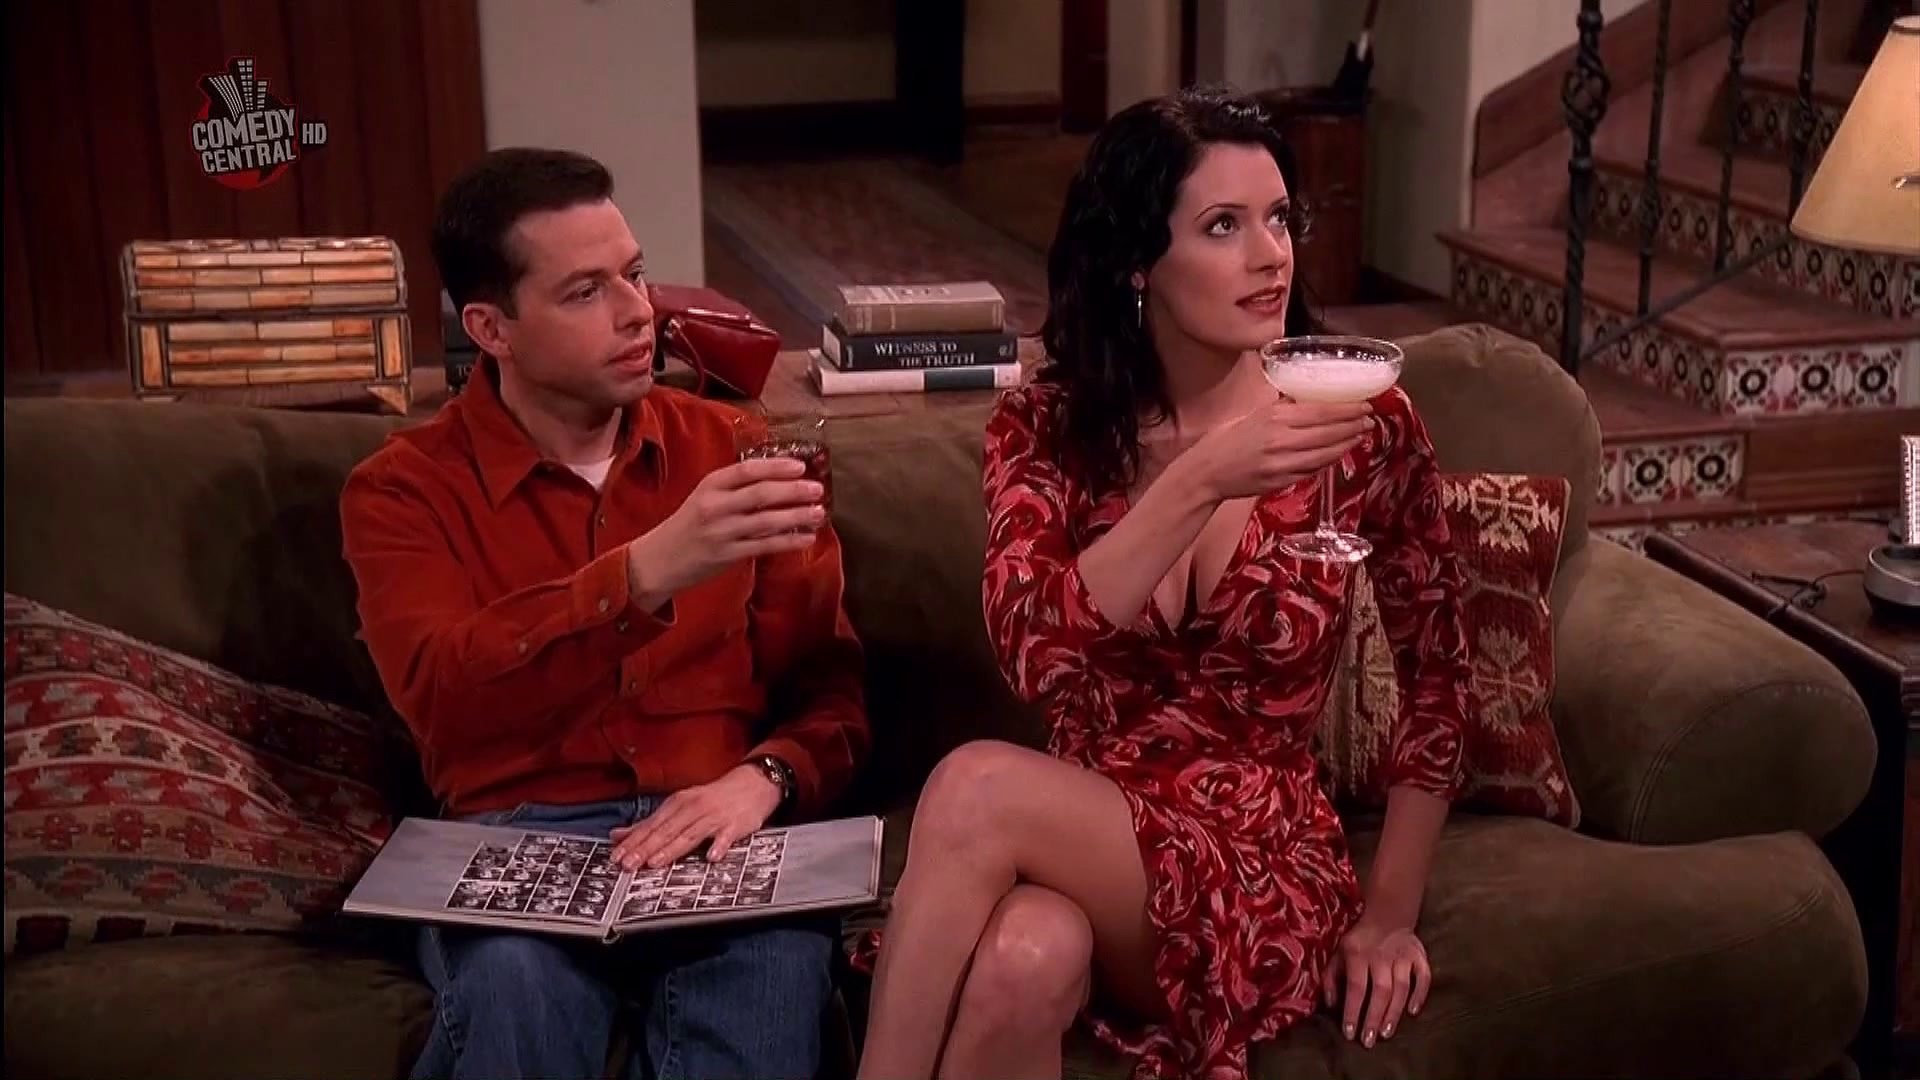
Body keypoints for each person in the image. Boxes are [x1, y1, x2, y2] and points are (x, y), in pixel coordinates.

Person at [854, 87, 1470, 1080]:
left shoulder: (1360, 419)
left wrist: (1392, 912)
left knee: (973, 787)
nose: (1271, 255)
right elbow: (1033, 649)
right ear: (1137, 261)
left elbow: (1441, 673)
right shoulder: (1044, 429)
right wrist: (1199, 480)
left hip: (1255, 854)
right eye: (1224, 225)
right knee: (1022, 960)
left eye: (1280, 219)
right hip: (1081, 827)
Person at [340, 147, 869, 1080]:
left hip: (715, 826)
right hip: (517, 837)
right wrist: (645, 573)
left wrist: (767, 779)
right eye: (586, 292)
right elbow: (441, 699)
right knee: (515, 989)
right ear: (490, 328)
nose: (638, 312)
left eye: (633, 273)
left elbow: (832, 692)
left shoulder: (736, 448)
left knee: (774, 976)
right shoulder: (402, 490)